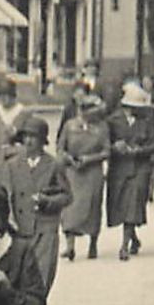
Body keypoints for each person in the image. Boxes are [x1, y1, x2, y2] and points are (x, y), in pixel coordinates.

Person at [4, 115, 72, 305]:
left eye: (34, 137)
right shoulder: (13, 165)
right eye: (26, 137)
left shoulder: (53, 165)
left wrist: (48, 202)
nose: (29, 142)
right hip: (20, 228)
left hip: (45, 226)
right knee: (19, 273)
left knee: (43, 273)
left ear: (43, 141)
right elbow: (6, 194)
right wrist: (9, 219)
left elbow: (67, 196)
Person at [105, 83, 154, 260]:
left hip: (139, 168)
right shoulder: (112, 121)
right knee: (120, 206)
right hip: (119, 169)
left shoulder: (146, 122)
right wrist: (114, 147)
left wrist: (139, 150)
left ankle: (124, 246)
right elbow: (104, 144)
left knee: (133, 205)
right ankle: (133, 238)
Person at [56, 95, 109, 261]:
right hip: (72, 172)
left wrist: (89, 159)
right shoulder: (70, 126)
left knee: (93, 208)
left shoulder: (102, 127)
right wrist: (67, 158)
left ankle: (93, 244)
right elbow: (60, 147)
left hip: (92, 172)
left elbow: (107, 151)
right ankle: (70, 246)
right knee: (69, 207)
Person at [0, 78, 26, 193]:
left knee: (13, 187)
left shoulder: (22, 113)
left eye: (7, 96)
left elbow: (28, 137)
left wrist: (16, 134)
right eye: (1, 96)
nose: (3, 100)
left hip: (14, 155)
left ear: (13, 97)